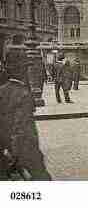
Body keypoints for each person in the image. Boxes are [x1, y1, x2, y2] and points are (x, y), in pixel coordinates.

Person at [0, 49, 52, 180]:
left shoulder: (2, 91)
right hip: (21, 153)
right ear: (23, 71)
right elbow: (22, 130)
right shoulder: (23, 94)